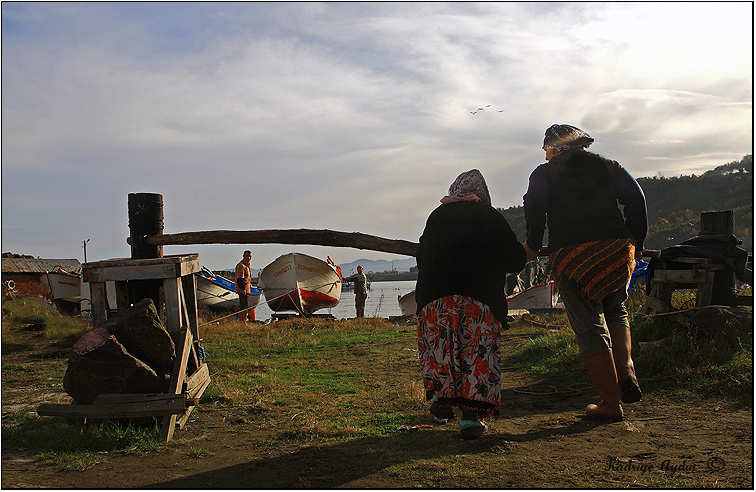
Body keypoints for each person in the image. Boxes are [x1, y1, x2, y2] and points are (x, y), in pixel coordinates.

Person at [522, 124, 648, 421]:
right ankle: (627, 369)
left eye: (546, 149)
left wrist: (532, 244)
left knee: (589, 325)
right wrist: (637, 242)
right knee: (616, 310)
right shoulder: (608, 165)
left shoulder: (545, 173)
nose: (546, 155)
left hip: (573, 253)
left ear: (555, 148)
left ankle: (610, 403)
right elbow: (636, 199)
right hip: (617, 250)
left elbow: (536, 205)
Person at [415, 169, 526, 439]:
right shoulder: (491, 216)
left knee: (443, 350)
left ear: (455, 191)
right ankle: (470, 418)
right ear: (481, 193)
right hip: (479, 299)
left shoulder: (436, 216)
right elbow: (515, 261)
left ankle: (442, 398)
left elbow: (421, 257)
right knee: (476, 355)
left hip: (435, 299)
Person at [235, 250, 254, 322]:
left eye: (250, 256)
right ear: (243, 256)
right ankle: (242, 321)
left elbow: (246, 278)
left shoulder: (247, 266)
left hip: (247, 289)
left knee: (246, 306)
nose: (249, 258)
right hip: (243, 290)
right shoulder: (241, 266)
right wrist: (243, 289)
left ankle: (244, 320)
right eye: (247, 256)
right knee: (244, 307)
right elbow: (240, 278)